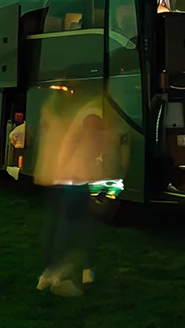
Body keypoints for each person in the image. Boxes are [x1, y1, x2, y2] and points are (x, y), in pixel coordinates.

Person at [32, 99, 124, 297]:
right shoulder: (93, 112)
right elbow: (94, 148)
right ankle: (66, 278)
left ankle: (60, 276)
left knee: (69, 228)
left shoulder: (83, 111)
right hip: (79, 180)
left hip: (71, 179)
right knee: (79, 231)